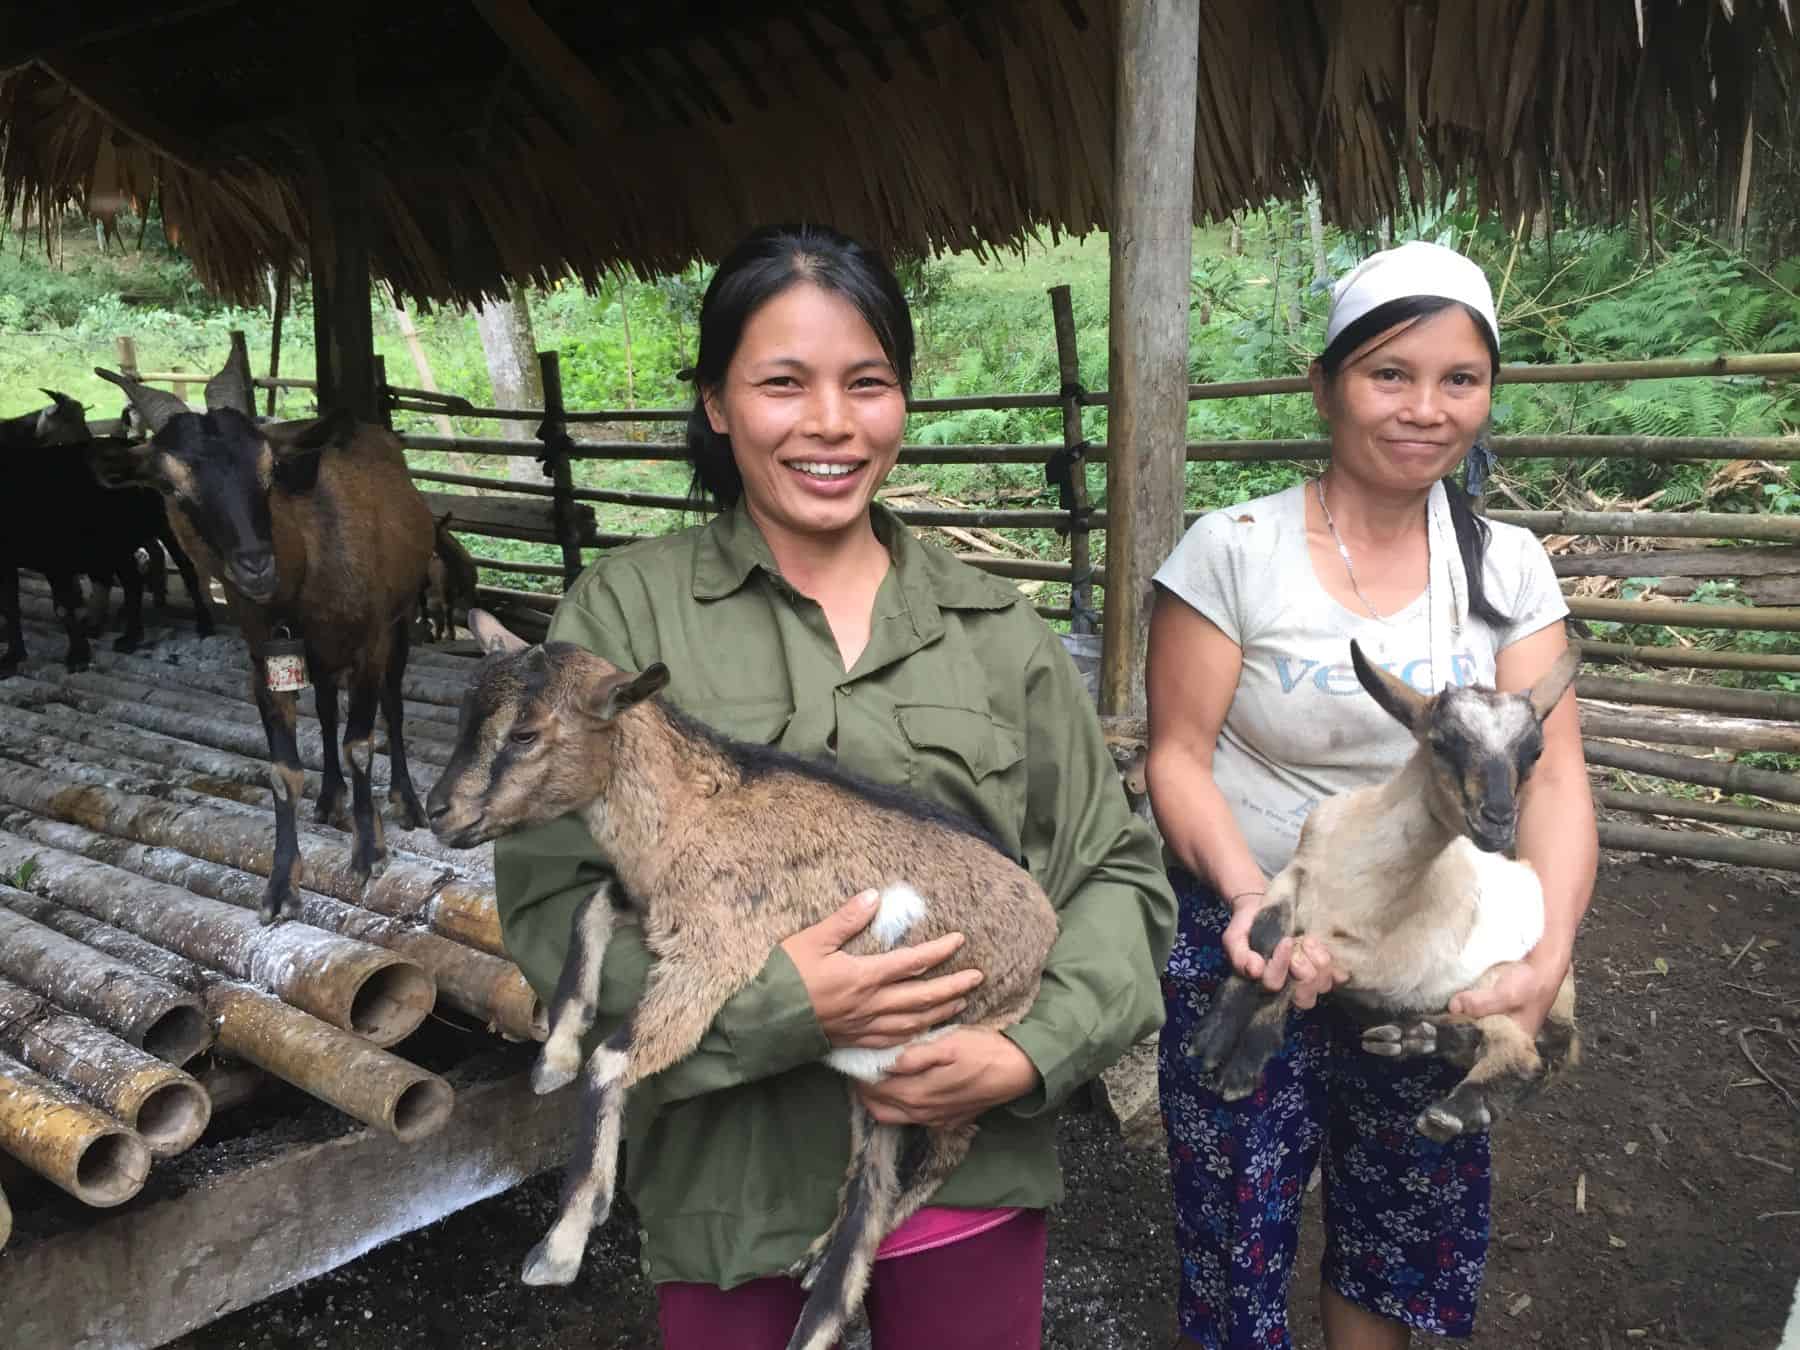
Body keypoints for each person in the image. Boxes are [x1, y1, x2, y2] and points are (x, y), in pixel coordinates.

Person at [493, 223, 1176, 1350]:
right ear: (717, 402)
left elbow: (1117, 874)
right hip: (733, 1180)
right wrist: (779, 1007)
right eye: (782, 383)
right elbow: (553, 905)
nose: (830, 423)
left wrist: (1023, 1051)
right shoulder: (624, 625)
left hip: (968, 1168)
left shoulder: (996, 632)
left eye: (867, 383)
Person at [1147, 241, 1597, 1349]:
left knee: (1403, 1227)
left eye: (1460, 380)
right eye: (1390, 374)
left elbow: (1556, 782)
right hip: (1260, 923)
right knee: (1236, 1226)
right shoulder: (1234, 552)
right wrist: (1257, 905)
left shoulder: (1508, 571)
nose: (1426, 409)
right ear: (1327, 384)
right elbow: (1175, 758)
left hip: (1436, 939)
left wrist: (1545, 957)